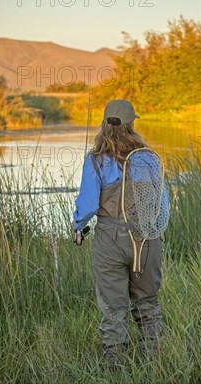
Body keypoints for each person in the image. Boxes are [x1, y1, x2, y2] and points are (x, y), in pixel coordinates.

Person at [72, 99, 167, 367]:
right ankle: (154, 363)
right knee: (147, 303)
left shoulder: (95, 161)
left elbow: (87, 207)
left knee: (114, 309)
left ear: (104, 124)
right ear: (132, 124)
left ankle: (114, 367)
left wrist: (78, 227)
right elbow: (161, 203)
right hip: (146, 239)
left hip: (109, 241)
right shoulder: (149, 159)